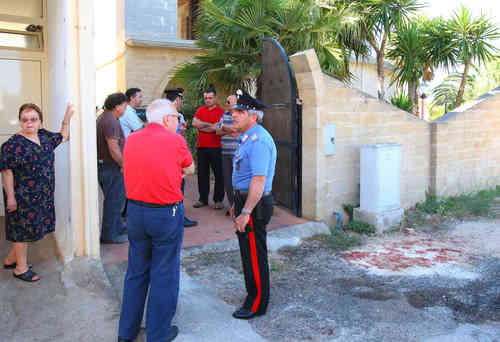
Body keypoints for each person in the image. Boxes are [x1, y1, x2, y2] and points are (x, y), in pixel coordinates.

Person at [118, 99, 194, 342]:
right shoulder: (175, 140)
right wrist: (176, 170)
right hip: (164, 215)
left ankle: (126, 333)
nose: (177, 121)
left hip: (135, 213)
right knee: (164, 273)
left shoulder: (132, 139)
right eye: (175, 117)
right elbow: (190, 168)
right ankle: (158, 334)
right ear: (166, 119)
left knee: (136, 272)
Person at [1, 102, 74, 282]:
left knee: (29, 230)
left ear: (40, 121)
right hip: (21, 196)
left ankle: (11, 259)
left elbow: (64, 136)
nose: (29, 123)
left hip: (42, 195)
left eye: (33, 119)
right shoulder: (12, 145)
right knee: (21, 231)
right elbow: (6, 172)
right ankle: (20, 268)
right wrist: (11, 198)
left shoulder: (44, 136)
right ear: (20, 121)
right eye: (25, 120)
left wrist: (66, 118)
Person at [230, 89, 277, 319]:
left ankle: (257, 303)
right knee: (249, 253)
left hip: (255, 205)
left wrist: (246, 211)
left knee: (255, 255)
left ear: (253, 116)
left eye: (240, 111)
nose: (234, 115)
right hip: (246, 201)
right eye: (234, 110)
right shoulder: (248, 137)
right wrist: (236, 205)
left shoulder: (258, 140)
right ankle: (254, 295)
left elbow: (258, 180)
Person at [96, 92, 128, 244]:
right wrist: (123, 164)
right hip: (111, 167)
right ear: (117, 106)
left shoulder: (104, 117)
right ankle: (109, 235)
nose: (125, 108)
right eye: (124, 105)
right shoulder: (110, 121)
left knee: (115, 200)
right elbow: (113, 147)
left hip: (106, 166)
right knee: (114, 202)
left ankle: (118, 227)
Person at [165, 88, 197, 227]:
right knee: (177, 187)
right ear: (177, 100)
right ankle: (178, 217)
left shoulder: (170, 114)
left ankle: (175, 215)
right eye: (180, 100)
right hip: (174, 158)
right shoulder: (171, 114)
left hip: (171, 157)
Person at [191, 85, 225, 209]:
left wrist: (203, 126)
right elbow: (195, 123)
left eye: (210, 98)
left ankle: (218, 200)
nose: (208, 100)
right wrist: (209, 125)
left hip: (216, 147)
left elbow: (217, 129)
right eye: (206, 98)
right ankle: (203, 199)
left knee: (219, 174)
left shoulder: (221, 112)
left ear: (215, 98)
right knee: (202, 174)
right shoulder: (200, 110)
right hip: (202, 147)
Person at [216, 94, 239, 216]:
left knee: (237, 181)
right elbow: (217, 131)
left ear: (236, 102)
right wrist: (230, 129)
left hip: (237, 154)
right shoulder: (224, 115)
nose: (227, 103)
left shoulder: (241, 115)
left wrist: (225, 128)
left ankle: (239, 207)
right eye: (227, 101)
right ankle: (232, 206)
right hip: (225, 153)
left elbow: (239, 131)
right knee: (228, 181)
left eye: (229, 101)